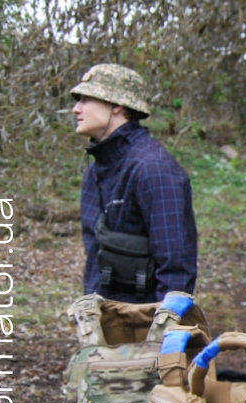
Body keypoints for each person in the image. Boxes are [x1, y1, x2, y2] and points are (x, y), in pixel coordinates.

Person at [70, 63, 197, 302]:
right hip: (106, 322)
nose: (76, 109)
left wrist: (166, 326)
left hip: (146, 325)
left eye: (86, 99)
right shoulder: (96, 171)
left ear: (117, 104)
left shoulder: (153, 169)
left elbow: (176, 267)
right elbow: (96, 256)